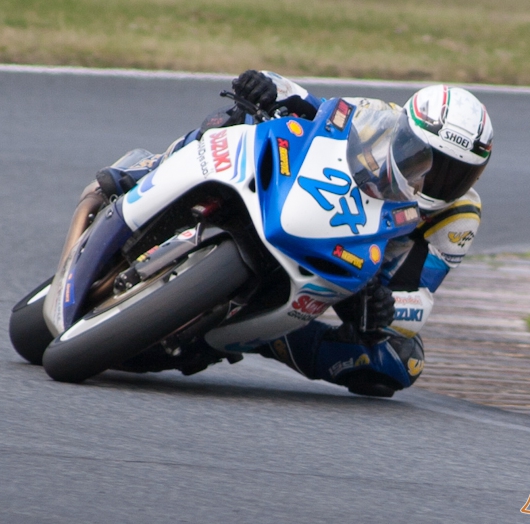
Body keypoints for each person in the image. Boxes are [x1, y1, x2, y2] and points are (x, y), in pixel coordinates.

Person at [99, 70, 493, 397]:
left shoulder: (458, 216)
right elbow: (313, 106)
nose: (430, 180)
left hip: (350, 275)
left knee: (402, 361)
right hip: (298, 198)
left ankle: (263, 335)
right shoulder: (378, 119)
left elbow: (419, 295)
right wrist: (266, 87)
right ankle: (149, 172)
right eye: (424, 159)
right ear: (406, 131)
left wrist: (386, 305)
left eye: (452, 174)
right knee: (235, 119)